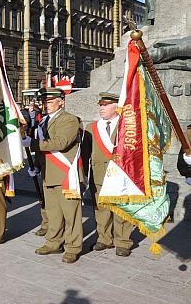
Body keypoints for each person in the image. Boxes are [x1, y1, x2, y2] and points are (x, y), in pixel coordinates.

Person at [23, 88, 83, 264]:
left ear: (61, 102)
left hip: (66, 174)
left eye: (49, 101)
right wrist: (38, 167)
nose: (45, 105)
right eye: (44, 101)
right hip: (49, 173)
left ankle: (73, 247)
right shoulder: (44, 122)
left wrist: (32, 143)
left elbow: (60, 143)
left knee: (71, 213)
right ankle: (53, 242)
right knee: (53, 212)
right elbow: (45, 151)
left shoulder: (69, 120)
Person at [82, 92, 134, 257]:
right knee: (101, 210)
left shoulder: (127, 126)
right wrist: (82, 174)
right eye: (100, 104)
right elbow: (85, 153)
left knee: (121, 210)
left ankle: (123, 242)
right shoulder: (92, 127)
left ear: (116, 107)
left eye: (105, 104)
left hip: (120, 175)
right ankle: (104, 238)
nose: (101, 108)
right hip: (98, 175)